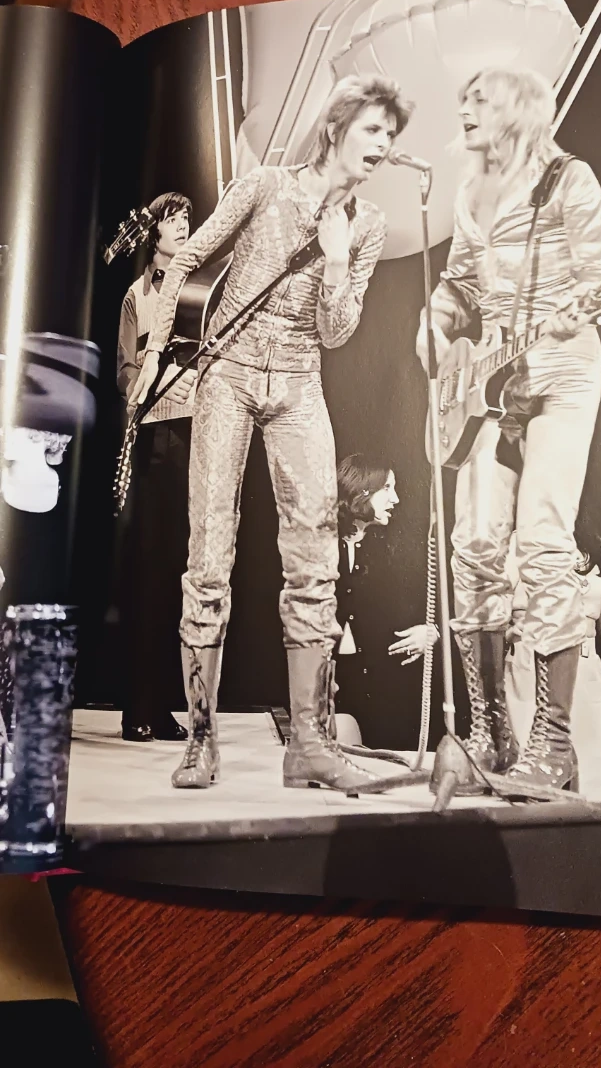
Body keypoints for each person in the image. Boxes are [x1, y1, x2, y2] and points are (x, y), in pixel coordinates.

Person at [131, 75, 413, 791]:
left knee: (315, 553)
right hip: (227, 373)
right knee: (209, 555)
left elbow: (336, 333)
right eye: (373, 129)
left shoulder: (369, 224)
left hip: (298, 382)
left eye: (390, 134)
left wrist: (339, 260)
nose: (383, 144)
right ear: (336, 128)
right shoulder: (265, 187)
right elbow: (188, 259)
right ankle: (199, 740)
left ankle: (310, 743)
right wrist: (158, 352)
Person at [416, 67, 601, 793]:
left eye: (479, 102)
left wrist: (575, 310)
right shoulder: (470, 192)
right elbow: (458, 286)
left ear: (517, 111)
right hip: (492, 383)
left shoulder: (570, 180)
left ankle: (555, 741)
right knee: (474, 543)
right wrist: (435, 325)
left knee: (541, 539)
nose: (465, 113)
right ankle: (491, 734)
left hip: (561, 371)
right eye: (464, 102)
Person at [116, 192, 196, 743]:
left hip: (197, 430)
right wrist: (154, 384)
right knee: (151, 567)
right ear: (155, 233)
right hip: (156, 434)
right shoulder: (137, 294)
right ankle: (137, 706)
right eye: (174, 219)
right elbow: (125, 369)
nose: (184, 225)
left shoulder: (198, 286)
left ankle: (167, 703)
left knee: (181, 571)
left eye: (187, 217)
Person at [506, 526, 601, 761]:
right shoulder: (520, 541)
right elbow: (490, 611)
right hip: (533, 671)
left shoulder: (597, 548)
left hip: (586, 672)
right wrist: (509, 632)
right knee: (536, 766)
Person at [334, 453, 439, 748]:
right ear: (361, 491)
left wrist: (434, 631)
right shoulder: (320, 546)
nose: (395, 499)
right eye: (387, 489)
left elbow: (444, 602)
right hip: (337, 682)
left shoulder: (401, 548)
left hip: (389, 687)